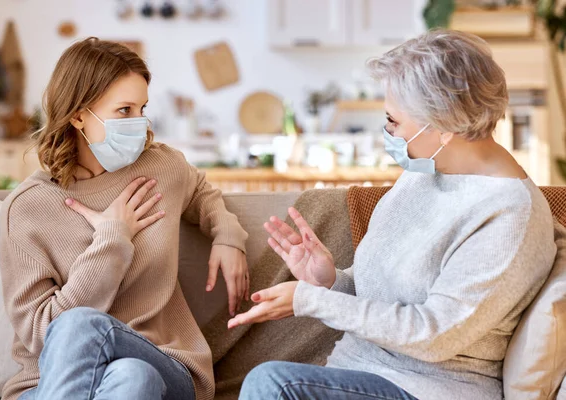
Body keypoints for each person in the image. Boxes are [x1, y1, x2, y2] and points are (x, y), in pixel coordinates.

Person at [228, 30, 557, 400]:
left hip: (430, 389)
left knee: (274, 384)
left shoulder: (508, 216)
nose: (387, 132)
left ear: (445, 124)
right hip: (362, 371)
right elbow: (394, 295)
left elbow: (434, 334)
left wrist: (311, 300)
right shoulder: (426, 171)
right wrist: (330, 281)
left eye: (393, 120)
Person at [0, 37, 249, 400]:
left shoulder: (159, 167)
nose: (139, 122)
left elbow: (200, 191)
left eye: (142, 108)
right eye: (124, 110)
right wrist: (113, 240)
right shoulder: (27, 208)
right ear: (79, 114)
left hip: (166, 365)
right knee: (130, 375)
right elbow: (44, 335)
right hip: (49, 384)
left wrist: (227, 235)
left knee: (133, 365)